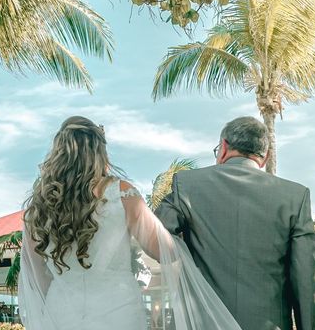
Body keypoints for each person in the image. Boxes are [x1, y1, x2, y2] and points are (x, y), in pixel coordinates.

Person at [18, 116, 242, 330]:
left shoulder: (37, 209)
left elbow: (39, 279)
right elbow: (164, 250)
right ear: (100, 154)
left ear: (57, 155)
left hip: (60, 313)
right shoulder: (121, 194)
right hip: (117, 309)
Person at [156, 116, 315, 330]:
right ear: (265, 158)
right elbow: (307, 282)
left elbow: (155, 235)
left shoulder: (187, 185)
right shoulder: (295, 197)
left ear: (224, 148)